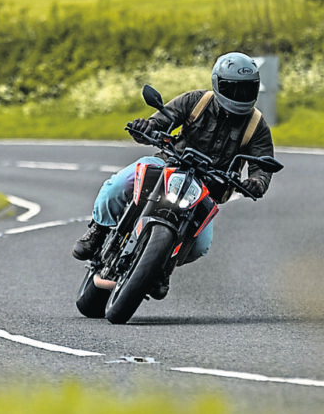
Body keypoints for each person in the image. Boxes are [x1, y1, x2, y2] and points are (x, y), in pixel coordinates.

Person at [71, 52, 277, 294]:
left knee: (201, 244)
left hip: (208, 188)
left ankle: (163, 266)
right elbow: (158, 122)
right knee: (120, 184)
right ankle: (99, 229)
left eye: (246, 89)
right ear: (218, 83)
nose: (240, 96)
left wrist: (256, 182)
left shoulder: (257, 125)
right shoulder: (196, 101)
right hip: (168, 165)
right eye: (233, 89)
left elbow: (262, 165)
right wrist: (145, 127)